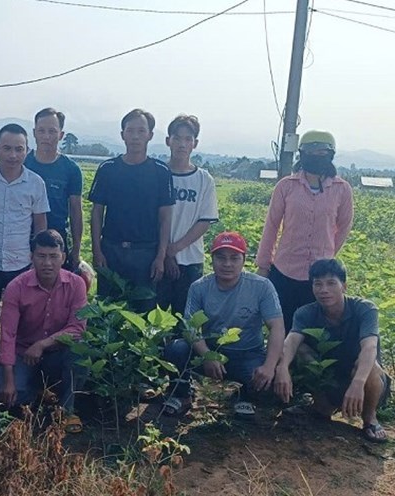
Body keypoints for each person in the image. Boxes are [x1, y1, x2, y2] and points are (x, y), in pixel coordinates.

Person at [162, 232, 285, 417]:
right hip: (212, 351)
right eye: (221, 257)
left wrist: (268, 366)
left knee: (267, 381)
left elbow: (277, 326)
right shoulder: (199, 287)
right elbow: (190, 327)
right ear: (212, 259)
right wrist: (208, 355)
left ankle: (244, 395)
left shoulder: (262, 287)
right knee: (176, 349)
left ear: (244, 260)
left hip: (247, 355)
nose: (227, 264)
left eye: (234, 258)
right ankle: (182, 394)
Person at [274, 259, 390, 443]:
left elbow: (370, 347)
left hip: (365, 381)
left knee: (368, 363)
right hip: (331, 377)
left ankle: (370, 418)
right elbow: (292, 341)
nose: (324, 290)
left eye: (331, 283)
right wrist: (282, 369)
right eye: (317, 284)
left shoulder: (364, 309)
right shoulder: (305, 313)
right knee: (301, 351)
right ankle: (322, 406)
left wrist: (358, 383)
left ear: (344, 285)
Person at [257, 130, 354, 332]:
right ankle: (280, 363)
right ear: (302, 154)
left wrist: (328, 253)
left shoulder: (342, 189)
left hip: (319, 277)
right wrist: (263, 265)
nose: (317, 155)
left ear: (331, 155)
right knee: (281, 327)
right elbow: (272, 226)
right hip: (285, 270)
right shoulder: (286, 186)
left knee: (314, 330)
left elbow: (344, 225)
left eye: (322, 151)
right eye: (311, 151)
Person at [0, 123, 50, 380]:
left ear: (27, 151)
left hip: (21, 263)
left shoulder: (35, 183)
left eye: (19, 149)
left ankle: (20, 367)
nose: (13, 154)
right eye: (7, 148)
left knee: (23, 320)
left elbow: (40, 225)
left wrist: (36, 260)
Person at [0, 230, 88, 432]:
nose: (47, 263)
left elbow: (77, 328)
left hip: (57, 353)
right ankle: (35, 391)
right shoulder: (16, 287)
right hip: (23, 353)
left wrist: (43, 344)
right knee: (10, 394)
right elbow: (7, 335)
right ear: (31, 257)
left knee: (81, 351)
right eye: (41, 256)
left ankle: (66, 410)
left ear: (63, 258)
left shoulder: (76, 284)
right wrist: (9, 380)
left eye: (53, 256)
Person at [89, 109, 174, 311]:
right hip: (111, 250)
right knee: (107, 312)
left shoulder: (161, 172)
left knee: (143, 312)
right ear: (122, 134)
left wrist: (160, 256)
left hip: (145, 252)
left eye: (141, 131)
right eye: (130, 131)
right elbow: (96, 212)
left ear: (150, 135)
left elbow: (165, 219)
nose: (135, 136)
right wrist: (97, 249)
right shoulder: (108, 169)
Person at [157, 115, 218, 317]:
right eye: (177, 138)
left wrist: (174, 249)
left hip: (190, 260)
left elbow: (204, 220)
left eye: (187, 139)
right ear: (168, 141)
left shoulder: (203, 179)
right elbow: (150, 217)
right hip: (156, 258)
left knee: (186, 319)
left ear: (195, 143)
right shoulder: (157, 174)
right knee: (154, 319)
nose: (182, 144)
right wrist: (165, 253)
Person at [24, 108, 83, 271]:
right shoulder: (23, 163)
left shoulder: (71, 169)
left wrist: (76, 249)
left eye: (52, 131)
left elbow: (76, 211)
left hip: (57, 242)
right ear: (34, 133)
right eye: (41, 131)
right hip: (22, 241)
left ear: (61, 135)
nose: (46, 136)